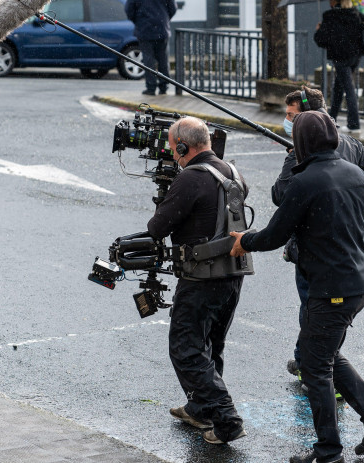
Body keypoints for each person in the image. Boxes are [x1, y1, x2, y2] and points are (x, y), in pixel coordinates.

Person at [230, 111, 364, 463]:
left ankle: (328, 451)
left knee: (314, 365)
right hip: (356, 285)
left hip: (329, 288)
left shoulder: (304, 181)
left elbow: (275, 234)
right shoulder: (357, 175)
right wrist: (350, 264)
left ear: (301, 143)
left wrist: (244, 240)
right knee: (324, 354)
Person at [276, 87, 364, 385]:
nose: (286, 121)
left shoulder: (302, 152)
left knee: (313, 308)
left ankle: (315, 366)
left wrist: (292, 160)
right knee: (328, 314)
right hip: (348, 250)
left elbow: (281, 195)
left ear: (309, 117)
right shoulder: (351, 145)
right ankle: (307, 359)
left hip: (313, 248)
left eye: (291, 116)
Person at [147, 117, 247, 445]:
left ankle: (226, 418)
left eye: (174, 149)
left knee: (187, 348)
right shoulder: (232, 172)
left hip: (202, 277)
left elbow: (157, 227)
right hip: (232, 274)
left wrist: (168, 194)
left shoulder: (190, 178)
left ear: (181, 146)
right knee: (210, 345)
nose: (172, 155)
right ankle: (201, 409)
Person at [314, 0, 364, 134]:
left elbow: (321, 40)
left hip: (340, 57)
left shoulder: (330, 16)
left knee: (348, 89)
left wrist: (319, 30)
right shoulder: (356, 14)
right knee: (339, 86)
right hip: (355, 56)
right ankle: (332, 119)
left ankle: (354, 124)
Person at [125, 0, 177, 96]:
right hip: (162, 28)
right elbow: (173, 8)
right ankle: (164, 86)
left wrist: (139, 20)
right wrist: (163, 18)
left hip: (144, 28)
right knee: (163, 59)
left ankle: (151, 87)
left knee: (148, 60)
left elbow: (129, 10)